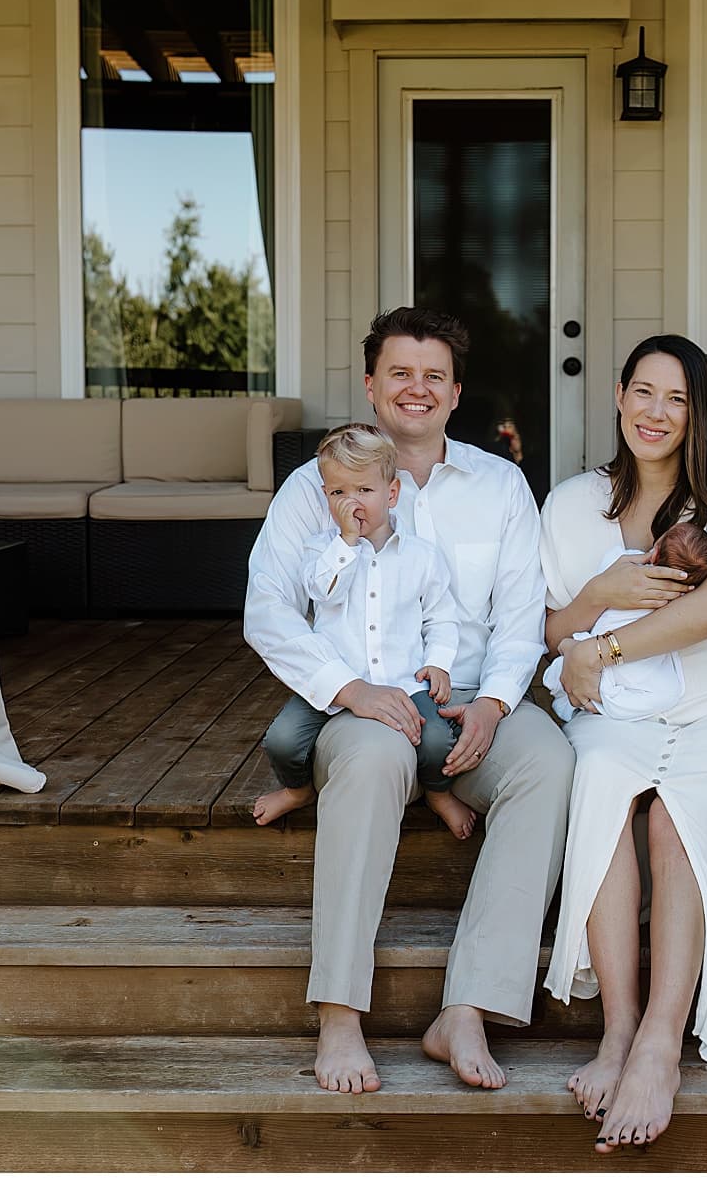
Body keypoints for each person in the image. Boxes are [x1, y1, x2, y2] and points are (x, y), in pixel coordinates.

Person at [244, 306, 574, 1096]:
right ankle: (339, 1014)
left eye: (434, 375)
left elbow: (523, 612)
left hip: (465, 702)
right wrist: (348, 689)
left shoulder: (500, 486)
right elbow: (267, 610)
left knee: (550, 762)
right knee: (371, 754)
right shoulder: (311, 487)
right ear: (370, 383)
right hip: (359, 704)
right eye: (400, 372)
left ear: (456, 392)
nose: (416, 388)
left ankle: (467, 1006)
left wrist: (496, 702)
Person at [539, 335, 707, 1152]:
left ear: (698, 414)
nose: (656, 412)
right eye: (643, 392)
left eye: (677, 399)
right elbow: (544, 628)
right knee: (604, 778)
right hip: (620, 708)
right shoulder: (572, 503)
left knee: (673, 814)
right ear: (618, 396)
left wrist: (604, 644)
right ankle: (616, 1032)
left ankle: (659, 1044)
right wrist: (595, 599)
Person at [251, 423, 474, 840]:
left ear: (391, 494)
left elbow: (441, 618)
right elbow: (321, 590)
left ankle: (438, 793)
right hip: (337, 680)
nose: (351, 502)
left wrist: (438, 664)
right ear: (326, 497)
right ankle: (298, 790)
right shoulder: (321, 550)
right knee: (281, 739)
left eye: (364, 491)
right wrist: (346, 545)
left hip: (404, 680)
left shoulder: (421, 557)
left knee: (437, 741)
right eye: (338, 493)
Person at [542, 520, 707, 724]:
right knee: (670, 692)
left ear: (656, 550)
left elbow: (609, 562)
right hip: (633, 664)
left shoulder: (624, 561)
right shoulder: (678, 599)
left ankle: (579, 676)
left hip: (596, 643)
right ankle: (601, 698)